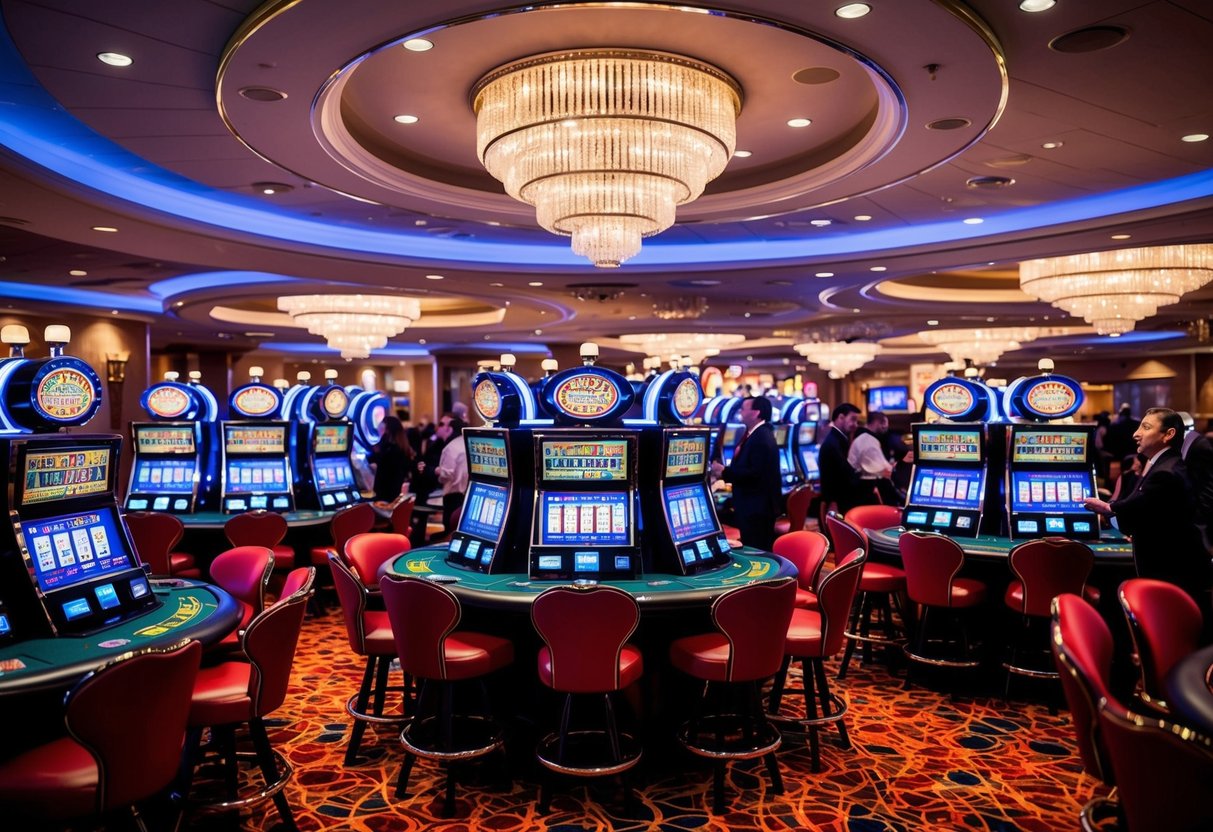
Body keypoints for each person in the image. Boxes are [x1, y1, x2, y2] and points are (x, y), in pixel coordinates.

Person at [1083, 407, 1212, 619]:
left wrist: (1107, 508)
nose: (1136, 433)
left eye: (1146, 427)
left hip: (1172, 572)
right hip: (1170, 570)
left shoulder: (1166, 471)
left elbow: (1135, 509)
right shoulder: (1161, 464)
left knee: (1170, 633)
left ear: (1168, 434)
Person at [709, 396, 781, 551]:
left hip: (756, 509)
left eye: (744, 408)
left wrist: (724, 471)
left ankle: (760, 576)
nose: (740, 412)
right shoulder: (759, 433)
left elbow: (754, 474)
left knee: (756, 551)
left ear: (756, 413)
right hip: (755, 506)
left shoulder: (761, 437)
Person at [818, 402, 863, 517]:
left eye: (857, 421)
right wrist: (832, 502)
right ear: (841, 417)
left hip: (844, 501)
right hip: (840, 505)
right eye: (853, 419)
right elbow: (833, 478)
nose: (855, 424)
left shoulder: (840, 439)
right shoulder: (833, 443)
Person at [848, 411, 900, 506]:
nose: (886, 427)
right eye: (884, 423)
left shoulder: (866, 437)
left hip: (862, 487)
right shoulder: (866, 439)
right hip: (862, 491)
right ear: (877, 423)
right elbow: (883, 470)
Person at [432, 415, 468, 532]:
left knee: (449, 532)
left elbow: (447, 474)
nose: (438, 428)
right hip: (467, 494)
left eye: (442, 425)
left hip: (453, 496)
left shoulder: (450, 447)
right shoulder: (466, 443)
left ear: (450, 429)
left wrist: (437, 471)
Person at [366, 415, 415, 502]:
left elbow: (375, 460)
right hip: (394, 496)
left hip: (385, 499)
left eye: (381, 423)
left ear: (387, 429)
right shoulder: (402, 448)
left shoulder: (389, 448)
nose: (378, 426)